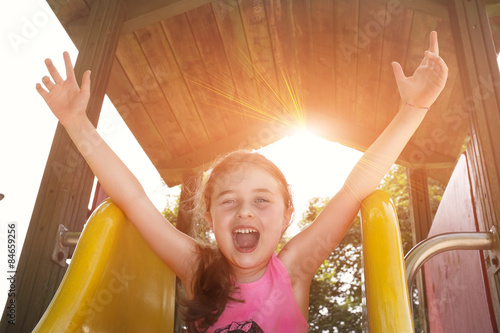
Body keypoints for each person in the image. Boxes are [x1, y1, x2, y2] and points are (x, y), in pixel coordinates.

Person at [36, 31, 447, 332]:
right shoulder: (198, 269)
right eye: (228, 202)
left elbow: (356, 189)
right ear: (211, 218)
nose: (245, 210)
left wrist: (413, 109)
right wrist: (76, 123)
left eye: (262, 200)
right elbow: (135, 199)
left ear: (287, 216)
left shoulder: (294, 268)